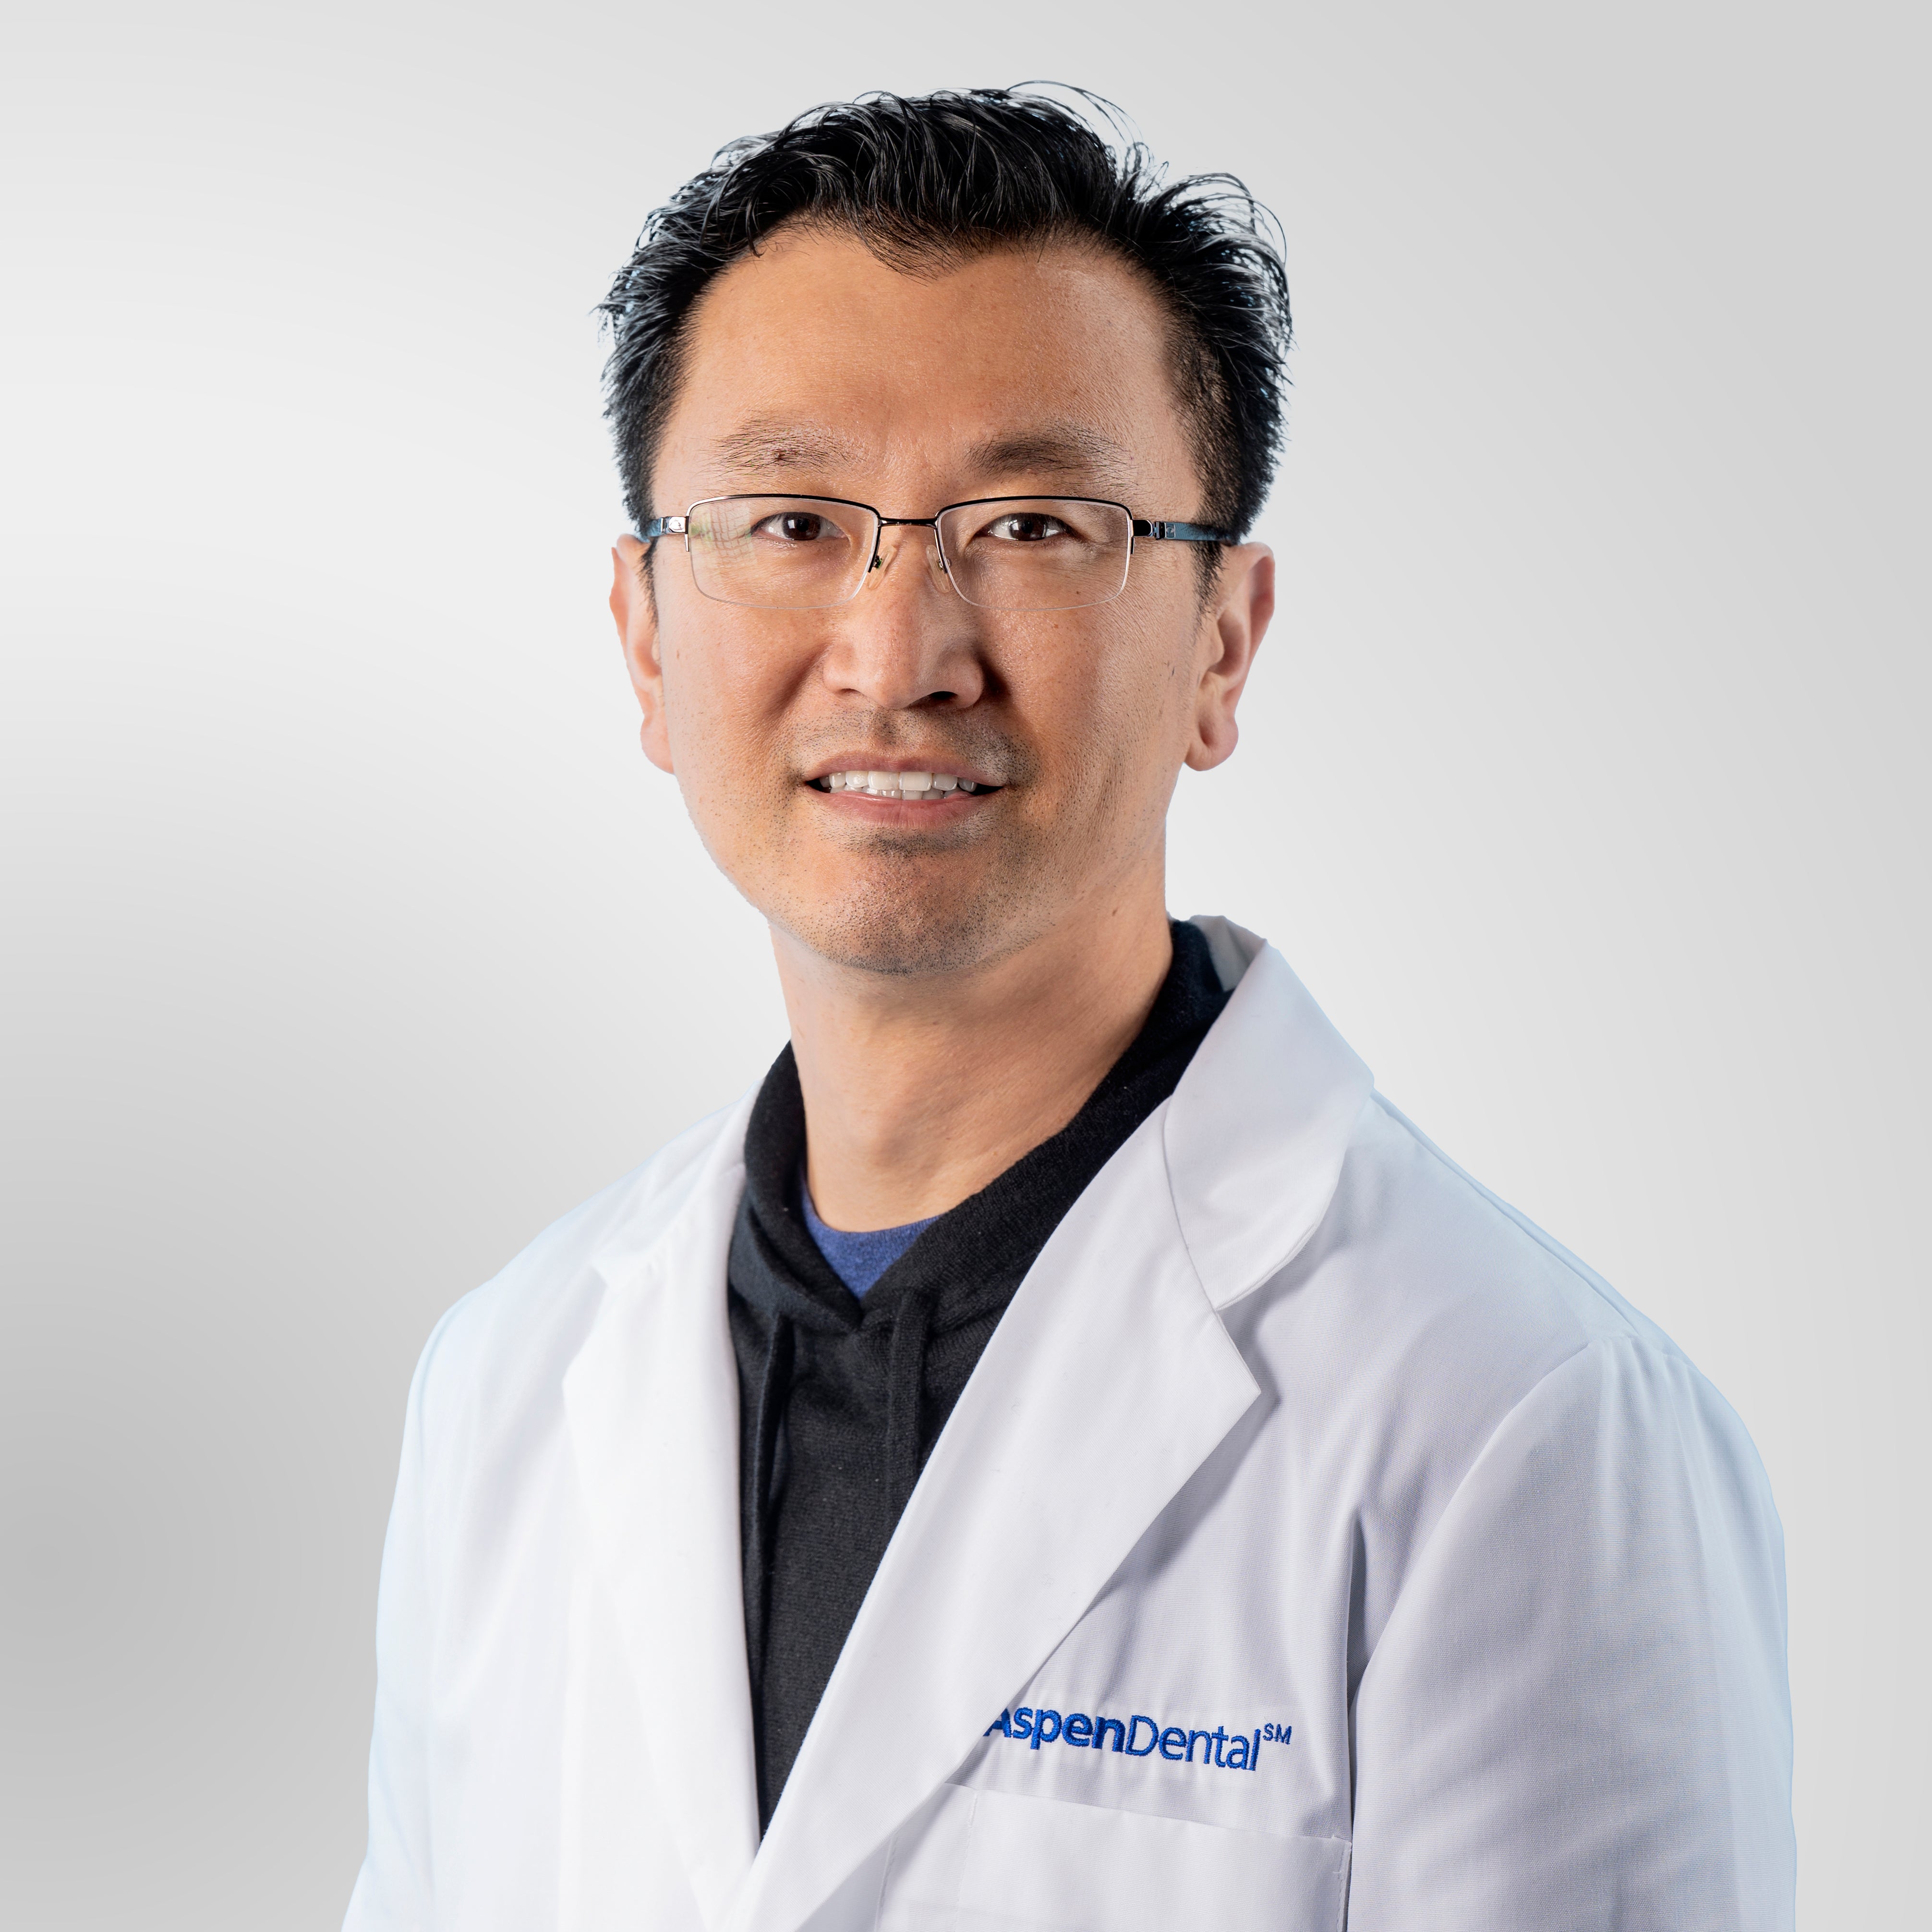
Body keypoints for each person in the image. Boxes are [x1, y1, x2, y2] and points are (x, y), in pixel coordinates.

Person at [343, 87, 1794, 1932]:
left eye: (1033, 524)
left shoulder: (1518, 1418)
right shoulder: (506, 1383)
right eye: (791, 519)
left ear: (1222, 643)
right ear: (644, 633)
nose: (898, 653)